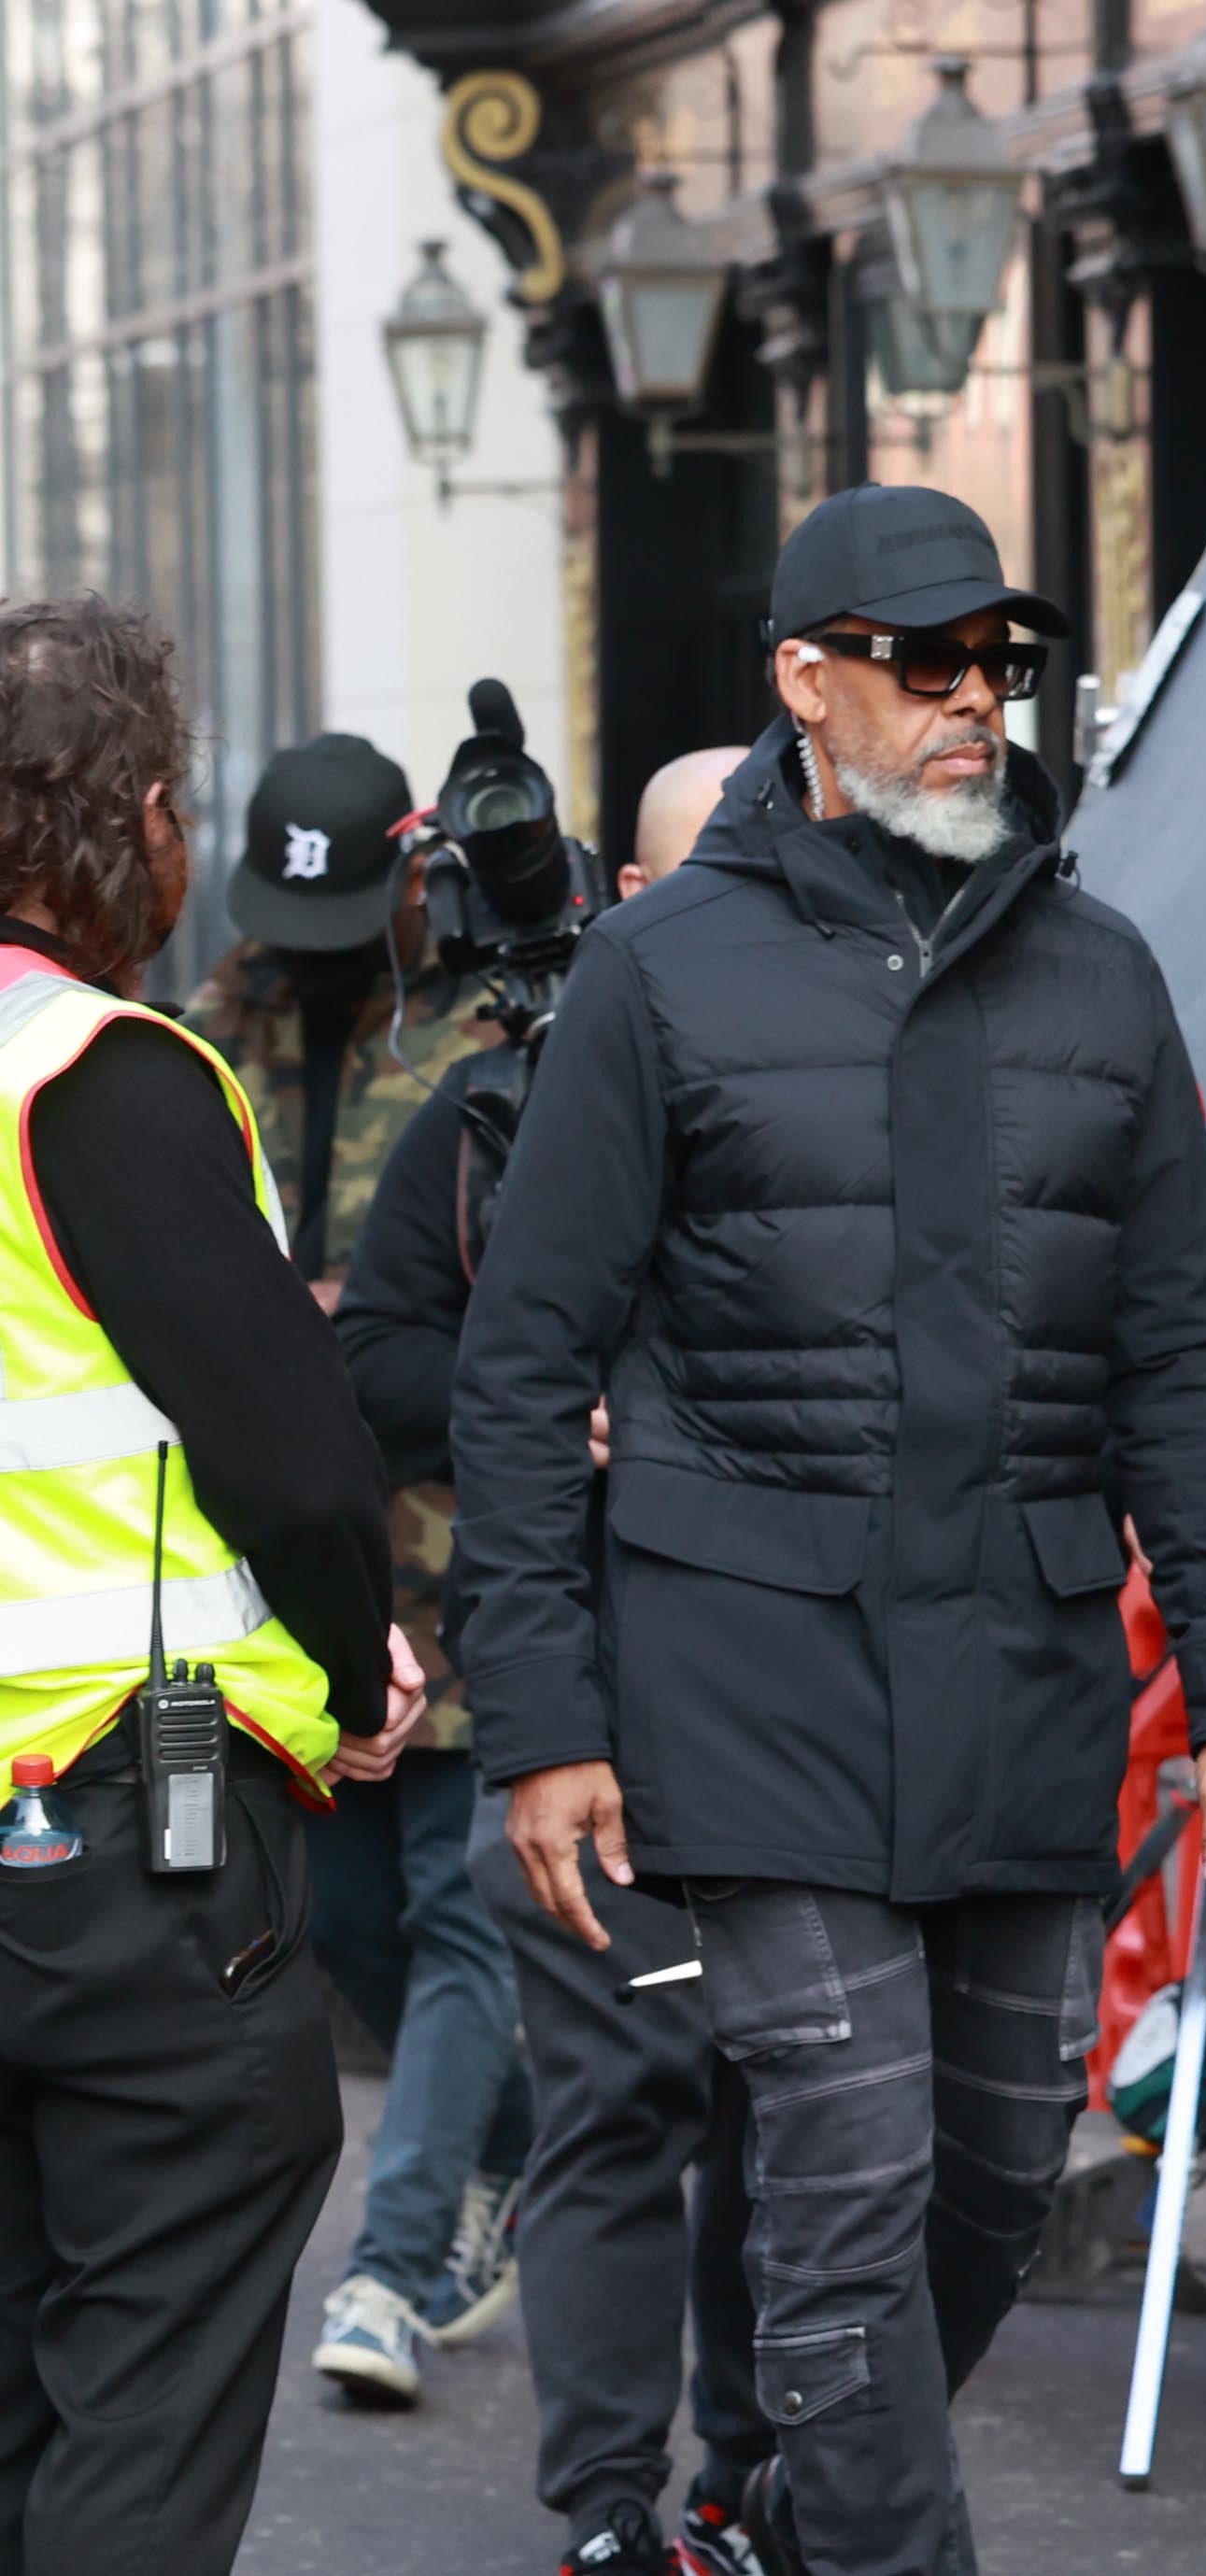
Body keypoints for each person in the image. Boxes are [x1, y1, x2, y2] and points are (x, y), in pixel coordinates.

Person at [450, 484, 1206, 2576]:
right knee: (842, 2166)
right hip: (748, 1681)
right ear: (802, 679)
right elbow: (514, 1361)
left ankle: (770, 2495)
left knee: (992, 2179)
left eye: (995, 664)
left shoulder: (1105, 973)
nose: (966, 702)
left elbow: (1183, 1365)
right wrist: (545, 1720)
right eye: (920, 663)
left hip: (1017, 1680)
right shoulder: (656, 973)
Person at [0, 594, 426, 2569]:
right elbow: (298, 1462)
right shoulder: (107, 1075)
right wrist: (360, 1670)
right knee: (145, 2384)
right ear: (142, 818)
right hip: (128, 1837)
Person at [341, 742, 768, 2576]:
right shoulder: (481, 1116)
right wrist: (554, 1405)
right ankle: (609, 2503)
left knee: (789, 2096)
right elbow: (381, 1365)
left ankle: (757, 2469)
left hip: (809, 1684)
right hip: (573, 1662)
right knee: (617, 2089)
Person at [190, 729, 535, 2404]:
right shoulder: (214, 1015)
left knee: (459, 1904)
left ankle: (396, 2267)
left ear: (417, 864)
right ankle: (521, 2136)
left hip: (463, 1524)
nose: (310, 963)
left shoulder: (495, 1015)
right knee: (344, 1910)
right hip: (283, 1538)